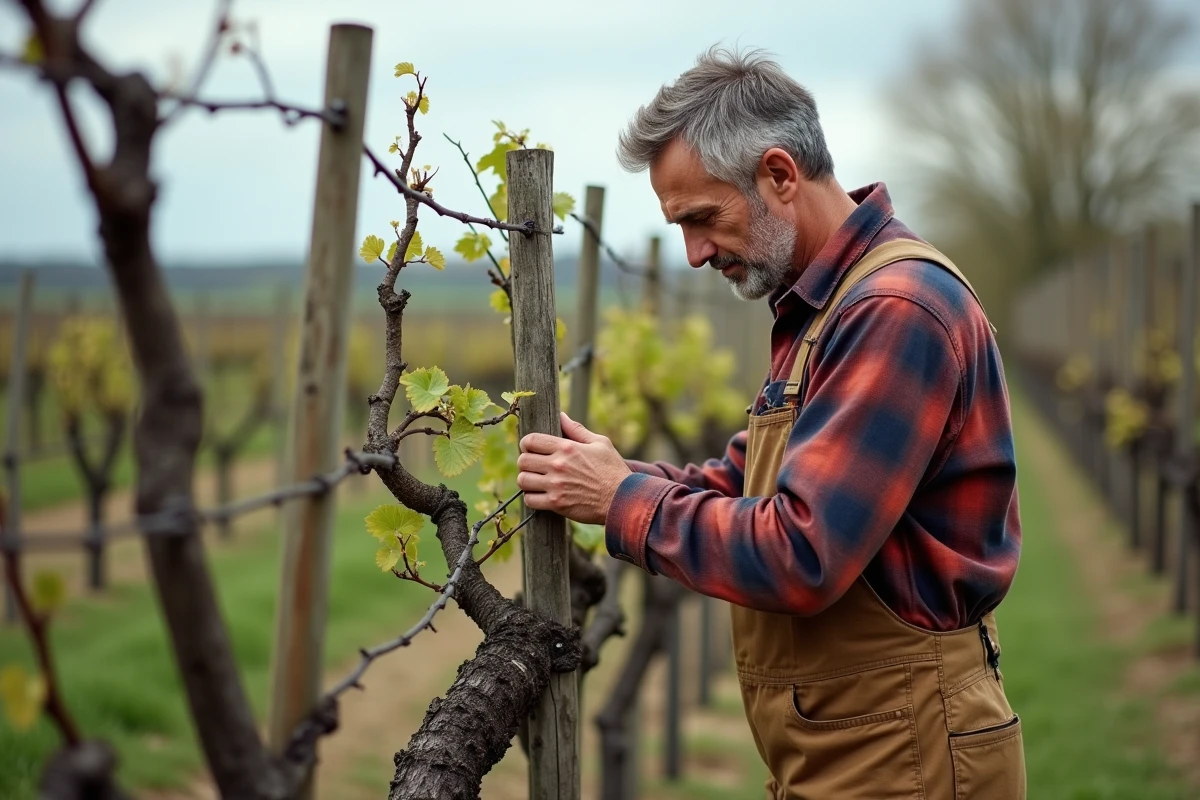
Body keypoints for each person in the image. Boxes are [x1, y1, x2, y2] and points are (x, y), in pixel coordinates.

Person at [516, 45, 1026, 799]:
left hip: (903, 752)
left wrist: (620, 502)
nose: (691, 254)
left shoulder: (893, 312)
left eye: (702, 217)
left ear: (780, 175)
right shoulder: (826, 305)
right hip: (859, 739)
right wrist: (615, 476)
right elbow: (739, 481)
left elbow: (801, 551)